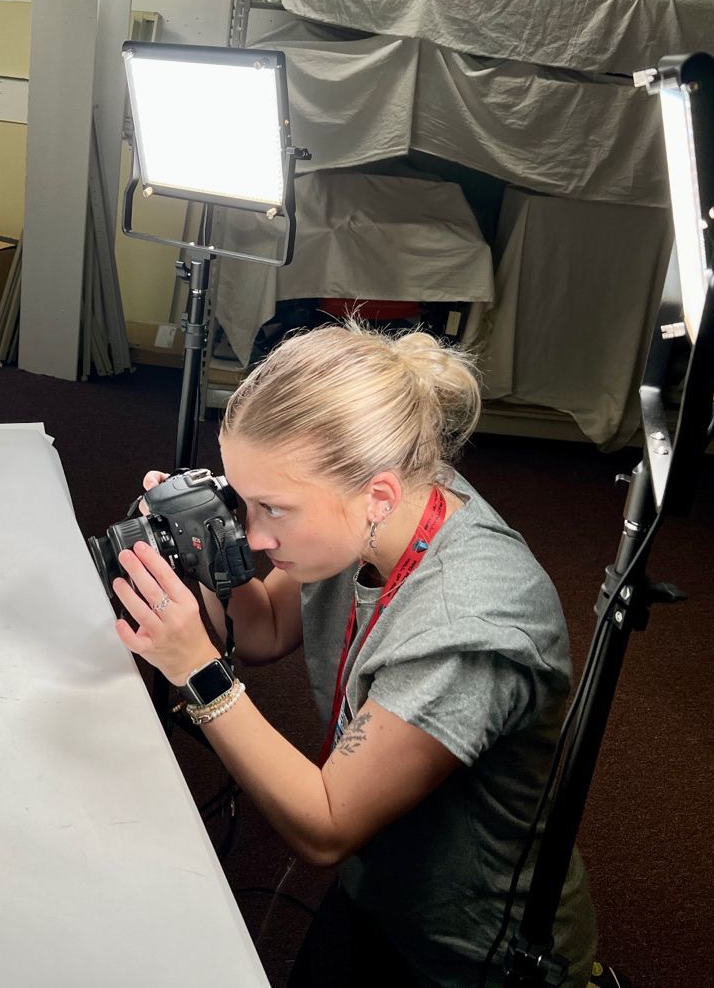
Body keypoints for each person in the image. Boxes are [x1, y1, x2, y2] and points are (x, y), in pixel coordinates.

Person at [111, 322, 599, 987]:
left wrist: (197, 671)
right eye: (240, 501)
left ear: (378, 495)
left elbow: (325, 826)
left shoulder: (470, 624)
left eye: (271, 509)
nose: (253, 536)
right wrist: (198, 550)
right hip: (377, 887)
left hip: (467, 949)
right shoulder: (380, 502)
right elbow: (268, 626)